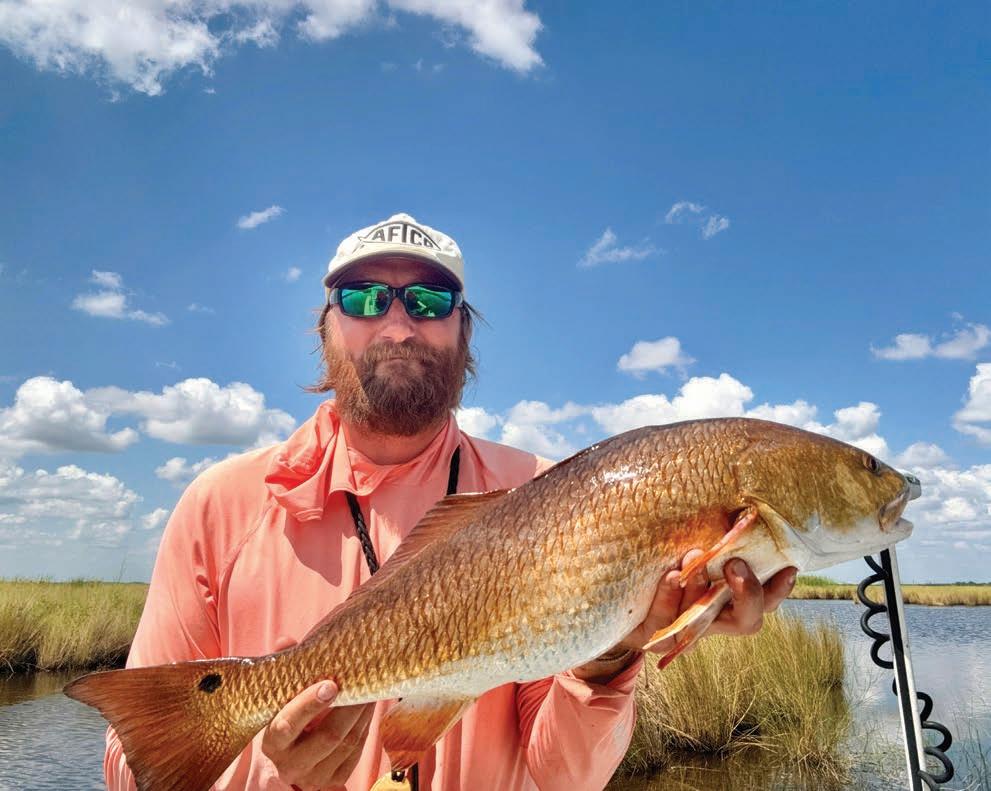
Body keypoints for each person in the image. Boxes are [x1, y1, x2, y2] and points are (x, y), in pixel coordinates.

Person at [103, 212, 797, 791]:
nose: (398, 326)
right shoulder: (219, 505)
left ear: (465, 331)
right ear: (325, 329)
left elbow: (563, 777)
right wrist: (272, 771)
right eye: (364, 299)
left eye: (430, 302)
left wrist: (611, 655)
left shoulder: (550, 494)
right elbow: (136, 770)